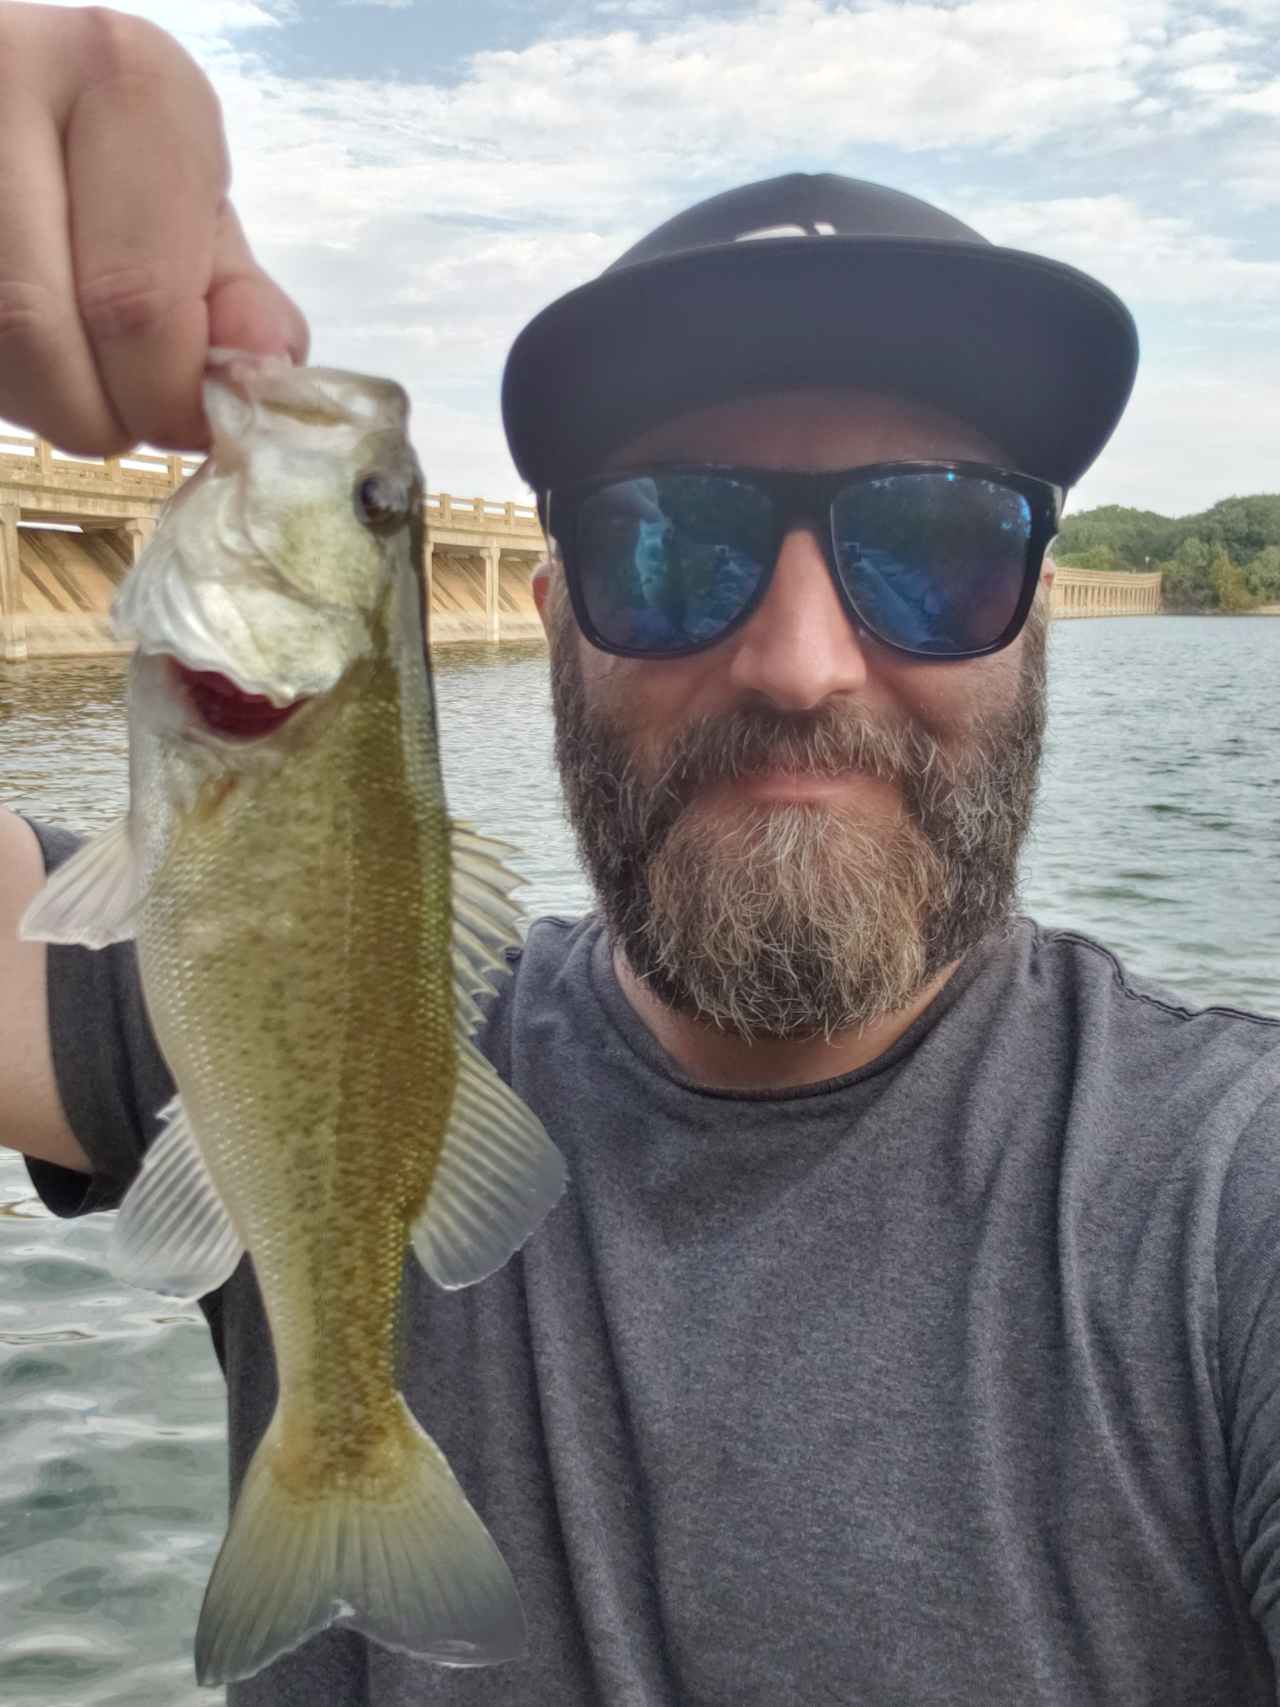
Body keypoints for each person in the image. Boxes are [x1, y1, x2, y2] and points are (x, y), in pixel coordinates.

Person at [2, 7, 1280, 1705]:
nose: (803, 664)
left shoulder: (1231, 1212)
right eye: (671, 544)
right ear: (551, 627)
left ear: (1038, 623)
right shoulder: (359, 1027)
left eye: (938, 546)